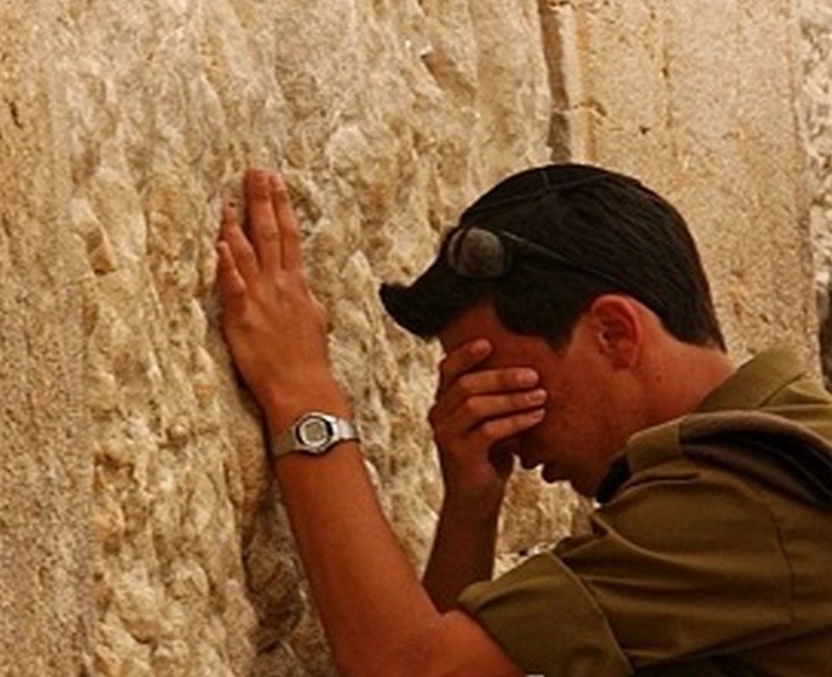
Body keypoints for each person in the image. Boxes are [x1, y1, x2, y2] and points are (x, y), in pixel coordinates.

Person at [215, 164, 832, 676]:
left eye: (504, 381)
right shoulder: (773, 451)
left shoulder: (746, 489)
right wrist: (472, 510)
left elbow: (408, 668)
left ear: (614, 333)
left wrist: (301, 391)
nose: (511, 433)